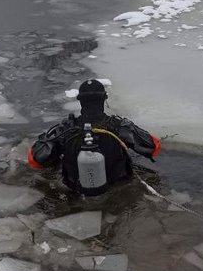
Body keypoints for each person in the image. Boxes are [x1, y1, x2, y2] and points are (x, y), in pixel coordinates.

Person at [28, 79, 161, 196]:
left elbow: (35, 160)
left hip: (75, 190)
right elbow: (153, 147)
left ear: (80, 100)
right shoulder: (118, 126)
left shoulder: (66, 129)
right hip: (117, 188)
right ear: (104, 98)